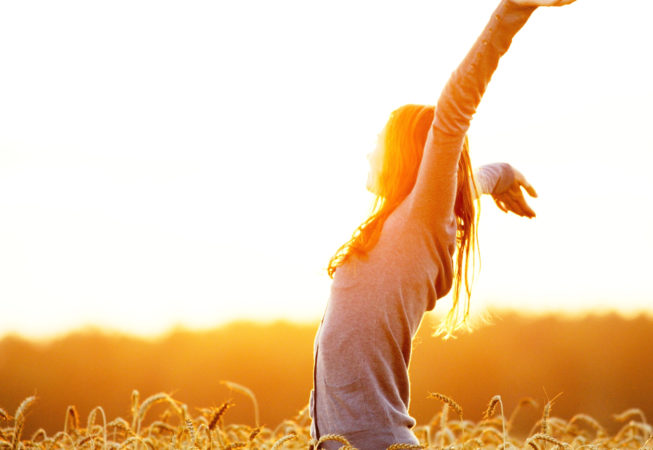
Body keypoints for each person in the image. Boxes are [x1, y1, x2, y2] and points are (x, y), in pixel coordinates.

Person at [309, 0, 578, 448]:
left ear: (402, 155)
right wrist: (500, 174)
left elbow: (455, 107)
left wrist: (514, 8)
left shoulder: (418, 223)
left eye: (377, 143)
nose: (367, 153)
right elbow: (462, 188)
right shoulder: (408, 222)